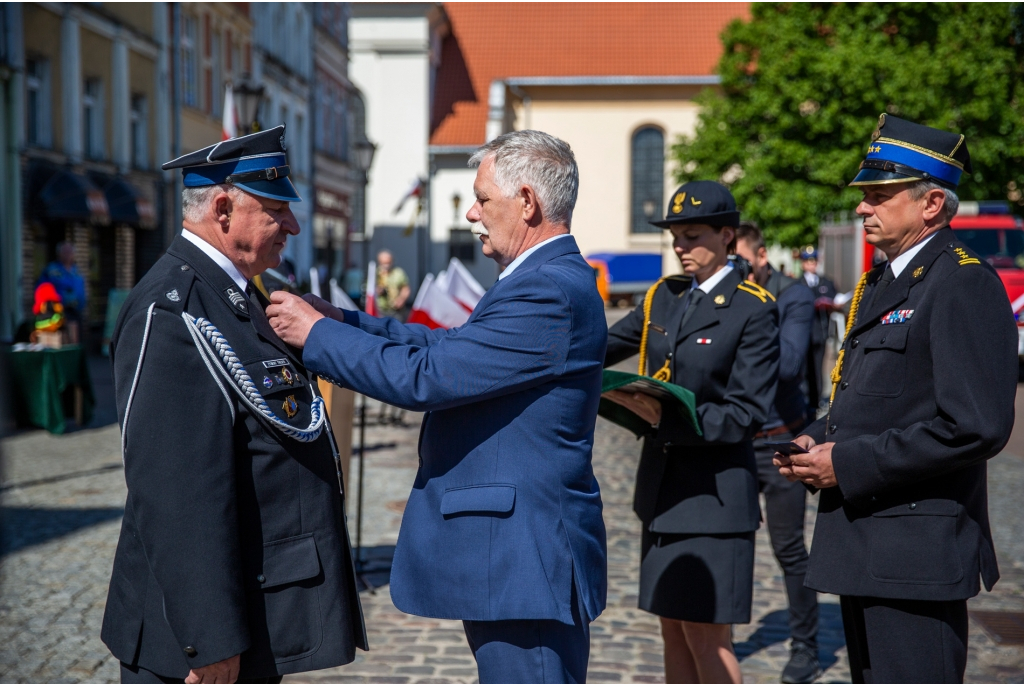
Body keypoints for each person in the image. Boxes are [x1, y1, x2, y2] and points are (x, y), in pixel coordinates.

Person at [266, 130, 607, 684]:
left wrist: (318, 337)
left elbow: (430, 377)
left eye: (483, 198)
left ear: (527, 201)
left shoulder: (547, 289)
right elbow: (446, 348)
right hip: (514, 557)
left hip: (526, 559)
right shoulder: (540, 279)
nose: (472, 213)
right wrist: (343, 321)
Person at [102, 126, 367, 684]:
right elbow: (176, 491)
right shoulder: (174, 309)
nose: (292, 225)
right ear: (223, 208)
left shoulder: (242, 293)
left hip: (255, 608)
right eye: (276, 210)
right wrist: (211, 638)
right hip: (198, 647)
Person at [775, 115, 1017, 683]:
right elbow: (875, 397)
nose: (863, 209)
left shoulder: (961, 282)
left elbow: (976, 426)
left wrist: (848, 463)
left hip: (916, 555)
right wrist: (819, 434)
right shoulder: (884, 281)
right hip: (866, 547)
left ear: (932, 203)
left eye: (879, 196)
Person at [603, 181, 779, 684]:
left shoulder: (753, 307)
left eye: (692, 235)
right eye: (675, 236)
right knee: (673, 630)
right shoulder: (665, 296)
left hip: (714, 498)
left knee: (707, 637)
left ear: (727, 236)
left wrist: (668, 418)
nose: (680, 246)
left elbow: (746, 413)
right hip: (662, 491)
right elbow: (603, 344)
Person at [734, 223, 820, 683]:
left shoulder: (791, 296)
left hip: (779, 441)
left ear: (762, 256)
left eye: (742, 261)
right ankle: (718, 636)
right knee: (730, 543)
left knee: (788, 548)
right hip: (735, 443)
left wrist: (741, 321)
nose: (736, 271)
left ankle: (805, 647)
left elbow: (788, 365)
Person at [798, 246, 838, 422]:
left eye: (813, 261)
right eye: (807, 261)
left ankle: (816, 400)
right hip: (804, 333)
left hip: (820, 332)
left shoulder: (825, 282)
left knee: (818, 367)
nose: (811, 264)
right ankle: (806, 398)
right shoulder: (798, 283)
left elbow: (836, 300)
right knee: (805, 369)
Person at [39, 241, 87, 340]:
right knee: (63, 340)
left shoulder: (76, 271)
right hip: (58, 313)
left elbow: (81, 289)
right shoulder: (52, 270)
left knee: (76, 340)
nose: (68, 255)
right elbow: (42, 289)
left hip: (76, 312)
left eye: (70, 252)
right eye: (65, 252)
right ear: (59, 254)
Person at [375, 250, 411, 319]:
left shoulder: (398, 273)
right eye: (384, 263)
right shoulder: (376, 274)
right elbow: (369, 289)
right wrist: (378, 290)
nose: (386, 265)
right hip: (380, 309)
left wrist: (401, 299)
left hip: (396, 310)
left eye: (388, 262)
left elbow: (405, 288)